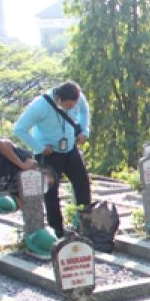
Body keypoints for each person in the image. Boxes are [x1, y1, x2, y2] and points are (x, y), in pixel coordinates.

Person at [12, 80, 92, 238]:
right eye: (68, 106)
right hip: (49, 153)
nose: (71, 109)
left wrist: (84, 130)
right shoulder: (40, 106)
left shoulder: (78, 96)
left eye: (73, 105)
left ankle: (85, 224)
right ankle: (57, 230)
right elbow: (19, 129)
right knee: (51, 192)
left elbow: (84, 111)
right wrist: (40, 147)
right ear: (58, 100)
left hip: (70, 149)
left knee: (82, 184)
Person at [0, 139, 38, 281]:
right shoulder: (27, 159)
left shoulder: (18, 185)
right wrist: (24, 164)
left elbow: (25, 205)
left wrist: (34, 228)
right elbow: (1, 143)